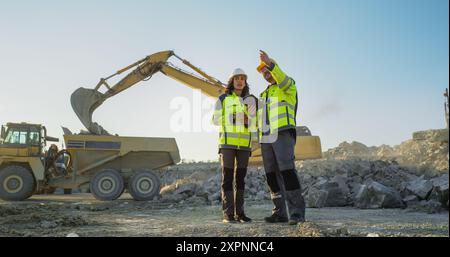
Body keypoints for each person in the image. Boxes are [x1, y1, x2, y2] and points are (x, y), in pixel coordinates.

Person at [256, 50, 306, 225]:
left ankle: (297, 213)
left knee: (287, 172)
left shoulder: (287, 85)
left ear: (274, 68)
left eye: (268, 70)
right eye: (263, 72)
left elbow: (282, 79)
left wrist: (270, 63)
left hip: (283, 132)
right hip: (266, 137)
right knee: (271, 175)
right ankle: (279, 212)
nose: (266, 73)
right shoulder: (262, 95)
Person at [212, 68, 257, 223]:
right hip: (227, 145)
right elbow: (215, 120)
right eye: (236, 78)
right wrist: (233, 117)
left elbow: (255, 123)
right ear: (232, 81)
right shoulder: (223, 99)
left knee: (241, 180)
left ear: (245, 82)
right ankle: (228, 214)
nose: (239, 81)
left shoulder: (251, 100)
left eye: (242, 78)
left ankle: (240, 213)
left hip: (244, 146)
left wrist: (248, 121)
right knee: (227, 179)